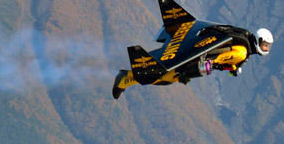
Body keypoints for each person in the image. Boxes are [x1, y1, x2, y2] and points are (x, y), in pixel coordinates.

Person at [112, 26, 273, 98]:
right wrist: (201, 68)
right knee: (167, 76)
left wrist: (231, 68)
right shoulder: (242, 52)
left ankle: (129, 76)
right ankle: (126, 78)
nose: (266, 48)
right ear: (258, 40)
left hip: (205, 47)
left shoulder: (245, 36)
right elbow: (219, 58)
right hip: (200, 58)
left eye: (267, 46)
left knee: (169, 75)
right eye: (265, 45)